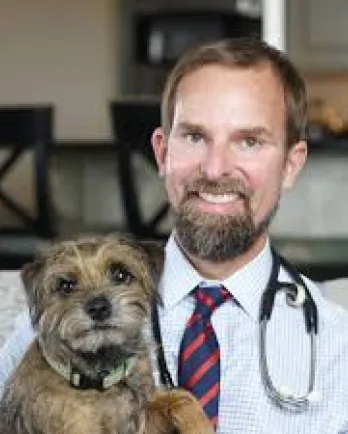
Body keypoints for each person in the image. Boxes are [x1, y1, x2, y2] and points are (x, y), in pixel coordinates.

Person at [1, 37, 348, 433]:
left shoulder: (337, 346)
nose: (216, 169)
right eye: (195, 137)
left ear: (290, 164)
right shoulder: (54, 319)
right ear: (162, 152)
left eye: (249, 141)